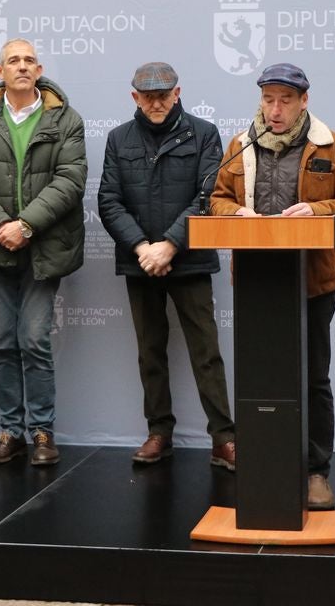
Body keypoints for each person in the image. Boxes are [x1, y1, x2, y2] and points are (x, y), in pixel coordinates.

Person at [211, 62, 335, 510]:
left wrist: (317, 211)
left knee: (313, 379)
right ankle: (266, 465)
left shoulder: (330, 145)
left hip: (312, 283)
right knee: (261, 381)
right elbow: (217, 199)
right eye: (268, 99)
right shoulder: (240, 145)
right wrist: (234, 214)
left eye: (285, 100)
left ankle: (317, 473)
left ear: (304, 101)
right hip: (257, 285)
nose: (275, 109)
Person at [0, 38, 87, 466]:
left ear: (40, 68)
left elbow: (70, 179)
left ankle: (43, 432)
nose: (22, 66)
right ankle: (11, 432)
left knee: (33, 340)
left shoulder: (66, 119)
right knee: (3, 343)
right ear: (0, 72)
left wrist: (26, 225)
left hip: (44, 249)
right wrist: (0, 226)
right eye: (14, 60)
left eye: (29, 60)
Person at [97, 62, 236, 469]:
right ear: (134, 97)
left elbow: (207, 196)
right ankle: (159, 432)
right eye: (148, 95)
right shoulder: (118, 138)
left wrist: (170, 246)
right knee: (150, 351)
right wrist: (143, 247)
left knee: (206, 353)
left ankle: (224, 439)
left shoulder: (204, 133)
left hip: (190, 260)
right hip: (140, 262)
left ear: (178, 93)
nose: (156, 102)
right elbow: (109, 200)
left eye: (164, 94)